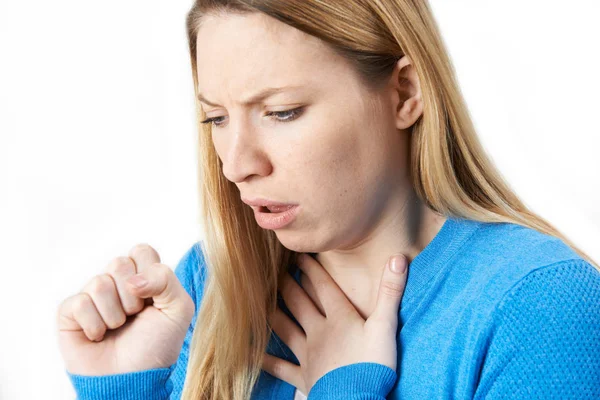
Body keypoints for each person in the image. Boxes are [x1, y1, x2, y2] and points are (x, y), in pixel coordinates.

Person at [56, 1, 600, 399]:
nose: (237, 163)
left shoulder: (540, 305)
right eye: (216, 118)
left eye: (282, 111)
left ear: (405, 93)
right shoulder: (212, 285)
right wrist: (128, 387)